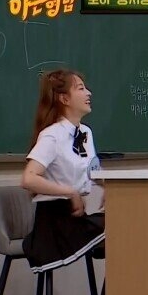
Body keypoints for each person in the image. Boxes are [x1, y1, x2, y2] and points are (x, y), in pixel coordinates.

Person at [21, 69, 105, 274]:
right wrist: (71, 192)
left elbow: (93, 170)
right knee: (121, 228)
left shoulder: (85, 132)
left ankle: (117, 292)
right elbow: (28, 179)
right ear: (64, 99)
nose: (89, 93)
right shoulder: (52, 135)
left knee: (125, 223)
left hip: (76, 219)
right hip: (55, 225)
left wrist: (111, 187)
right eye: (81, 88)